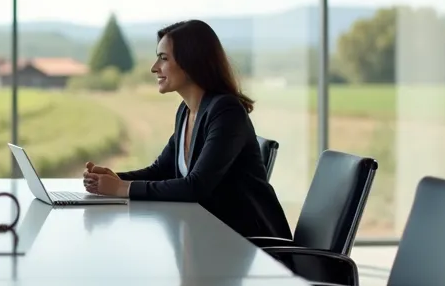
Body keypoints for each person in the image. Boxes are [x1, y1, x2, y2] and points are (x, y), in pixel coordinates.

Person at [82, 20, 292, 239]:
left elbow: (195, 187)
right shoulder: (187, 110)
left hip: (250, 245)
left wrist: (119, 188)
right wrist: (114, 178)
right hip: (212, 236)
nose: (155, 67)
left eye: (163, 58)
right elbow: (160, 170)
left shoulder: (226, 111)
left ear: (191, 62)